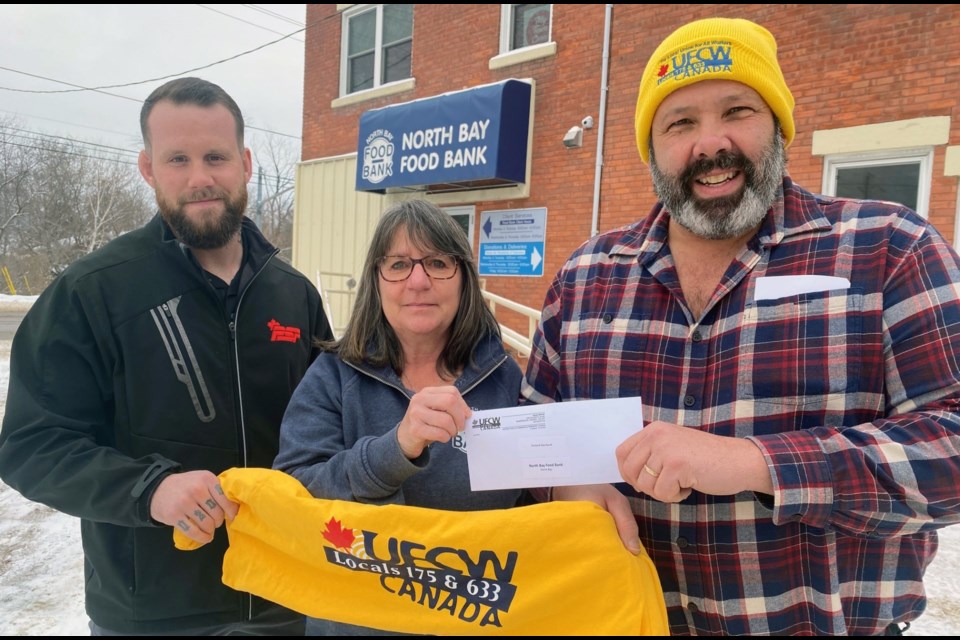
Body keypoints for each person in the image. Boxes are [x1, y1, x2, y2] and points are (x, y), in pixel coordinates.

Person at [521, 17, 960, 636]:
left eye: (736, 110)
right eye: (680, 123)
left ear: (778, 125)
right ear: (652, 148)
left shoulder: (889, 248)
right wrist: (561, 482)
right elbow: (534, 439)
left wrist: (757, 463)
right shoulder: (586, 277)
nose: (710, 143)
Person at [0, 77, 332, 635]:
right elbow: (32, 445)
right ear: (148, 168)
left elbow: (331, 426)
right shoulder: (94, 291)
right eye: (178, 159)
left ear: (246, 163)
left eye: (216, 157)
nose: (200, 178)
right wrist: (149, 490)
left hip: (285, 598)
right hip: (152, 613)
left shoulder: (293, 293)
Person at [273, 198, 524, 635]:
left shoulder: (503, 376)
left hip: (477, 622)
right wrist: (396, 449)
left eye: (438, 262)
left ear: (464, 277)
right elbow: (294, 493)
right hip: (357, 624)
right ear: (377, 280)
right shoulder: (333, 375)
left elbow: (531, 499)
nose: (419, 281)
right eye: (399, 264)